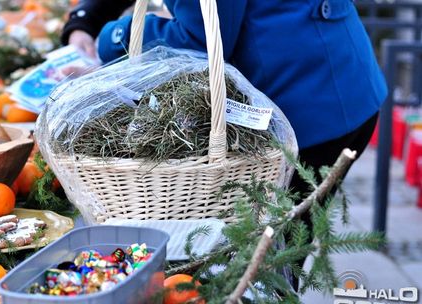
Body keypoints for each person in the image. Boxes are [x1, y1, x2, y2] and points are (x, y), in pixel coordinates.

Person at [61, 0, 386, 290]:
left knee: (260, 267)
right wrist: (87, 17)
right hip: (333, 77)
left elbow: (197, 39)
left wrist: (112, 37)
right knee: (270, 254)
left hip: (310, 105)